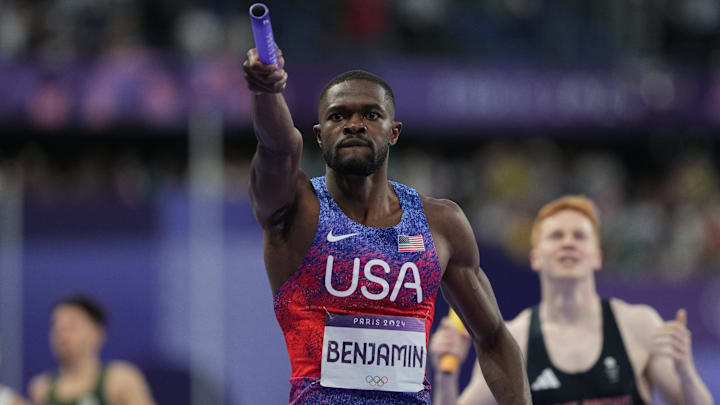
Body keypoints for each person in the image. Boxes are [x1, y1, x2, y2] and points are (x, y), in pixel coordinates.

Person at [242, 45, 531, 405]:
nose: (354, 124)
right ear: (319, 135)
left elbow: (494, 339)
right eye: (337, 116)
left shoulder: (440, 223)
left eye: (371, 114)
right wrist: (266, 91)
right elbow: (278, 147)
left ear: (394, 132)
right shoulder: (295, 209)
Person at [429, 195, 715, 405]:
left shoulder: (638, 325)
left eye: (579, 236)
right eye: (556, 236)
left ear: (598, 255)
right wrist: (446, 376)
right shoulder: (515, 338)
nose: (568, 242)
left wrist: (685, 371)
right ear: (536, 257)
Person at [28, 295, 156, 405]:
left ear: (97, 333)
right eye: (57, 326)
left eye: (72, 326)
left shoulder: (120, 381)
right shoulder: (41, 388)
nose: (62, 334)